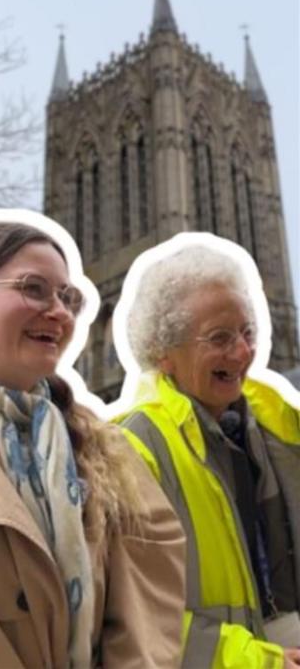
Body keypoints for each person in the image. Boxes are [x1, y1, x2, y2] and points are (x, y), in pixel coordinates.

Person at [0, 213, 186, 669]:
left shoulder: (107, 455)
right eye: (33, 288)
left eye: (67, 296)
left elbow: (148, 614)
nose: (58, 310)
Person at [113, 236, 300, 669]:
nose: (242, 352)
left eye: (246, 332)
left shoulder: (279, 426)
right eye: (219, 338)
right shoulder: (133, 449)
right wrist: (258, 661)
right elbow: (131, 614)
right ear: (163, 354)